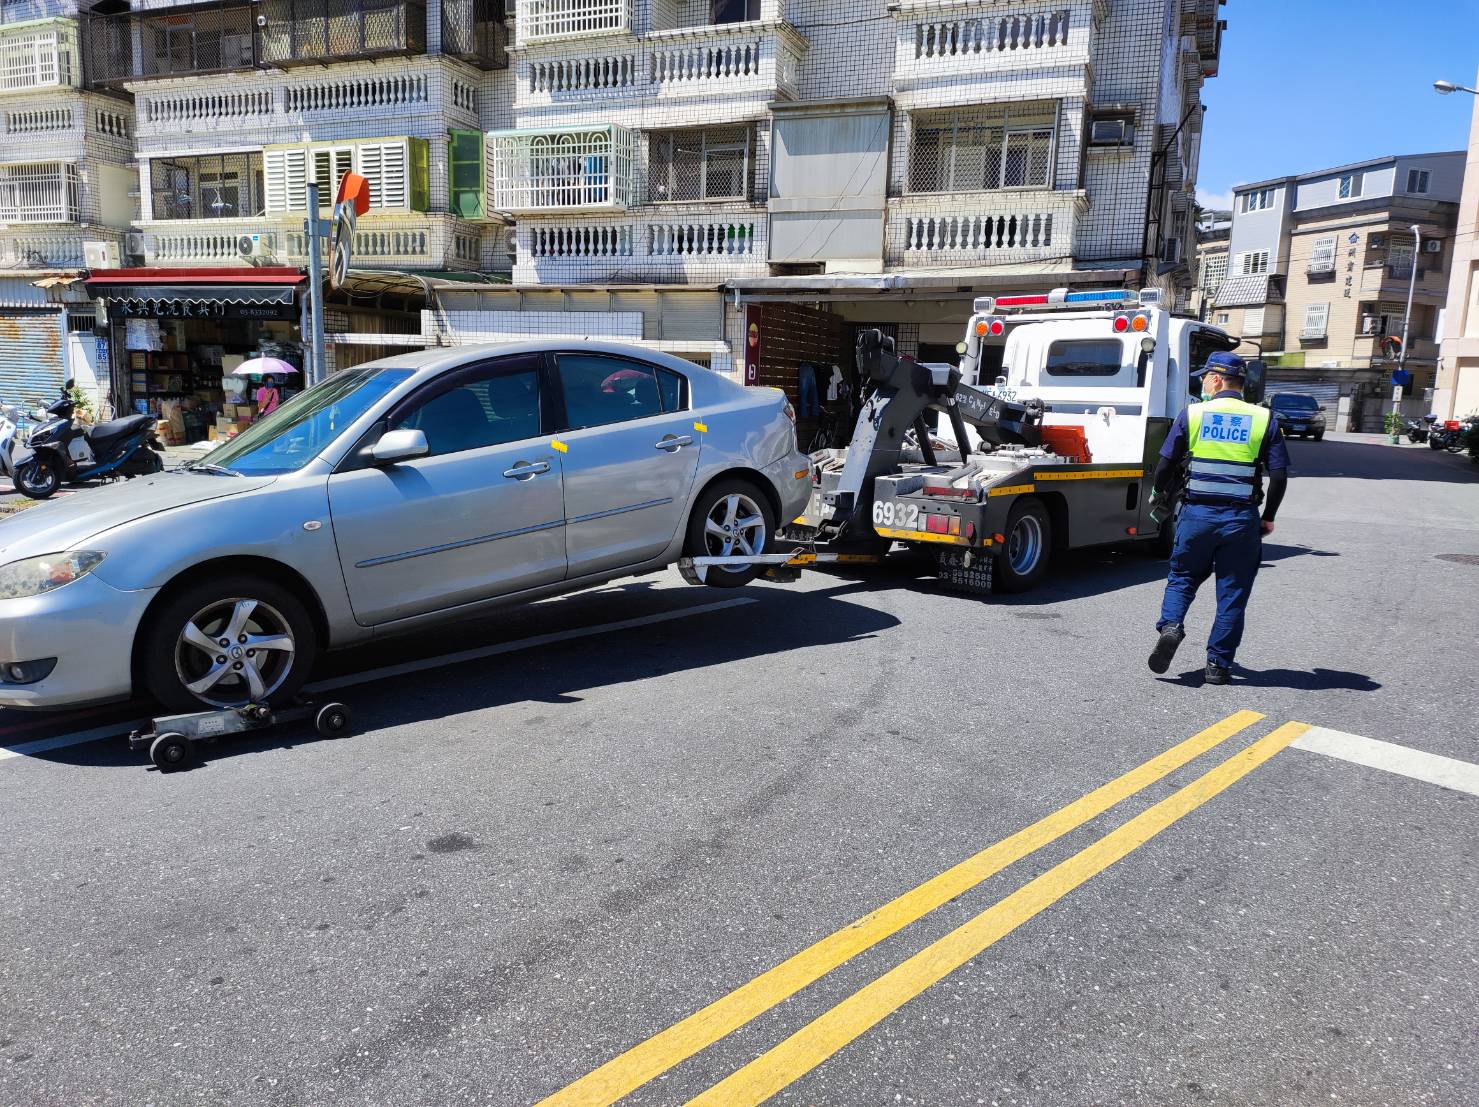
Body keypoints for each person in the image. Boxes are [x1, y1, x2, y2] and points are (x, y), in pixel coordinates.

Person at [1147, 351, 1290, 685]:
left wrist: (1159, 493)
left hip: (1197, 514)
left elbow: (1166, 463)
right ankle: (1218, 665)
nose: (1201, 384)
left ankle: (1171, 626)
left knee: (1182, 578)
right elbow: (1280, 476)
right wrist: (1267, 517)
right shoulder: (1263, 418)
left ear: (1215, 378)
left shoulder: (1193, 414)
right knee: (1233, 592)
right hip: (1241, 519)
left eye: (1203, 377)